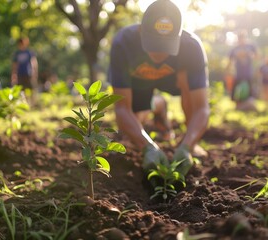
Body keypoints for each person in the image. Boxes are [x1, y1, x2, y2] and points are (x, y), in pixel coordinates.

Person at [108, 0, 209, 177]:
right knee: (135, 124)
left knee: (187, 80)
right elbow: (122, 108)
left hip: (175, 81)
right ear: (141, 30)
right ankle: (158, 105)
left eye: (166, 45)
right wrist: (147, 147)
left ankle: (191, 140)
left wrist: (187, 145)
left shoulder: (192, 46)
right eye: (153, 44)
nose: (159, 54)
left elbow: (201, 108)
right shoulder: (123, 43)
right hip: (138, 82)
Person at [225, 30, 257, 111]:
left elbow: (257, 56)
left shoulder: (250, 46)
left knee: (249, 91)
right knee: (237, 91)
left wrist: (249, 54)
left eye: (243, 38)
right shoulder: (235, 49)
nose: (241, 40)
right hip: (238, 74)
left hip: (248, 74)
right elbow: (229, 61)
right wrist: (227, 72)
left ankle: (248, 104)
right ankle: (239, 105)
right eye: (240, 38)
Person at [11, 37, 38, 104]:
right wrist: (14, 75)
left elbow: (34, 63)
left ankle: (33, 103)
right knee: (21, 90)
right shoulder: (17, 53)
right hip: (20, 74)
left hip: (28, 74)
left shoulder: (29, 52)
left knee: (31, 89)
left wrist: (34, 73)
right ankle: (24, 103)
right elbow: (15, 65)